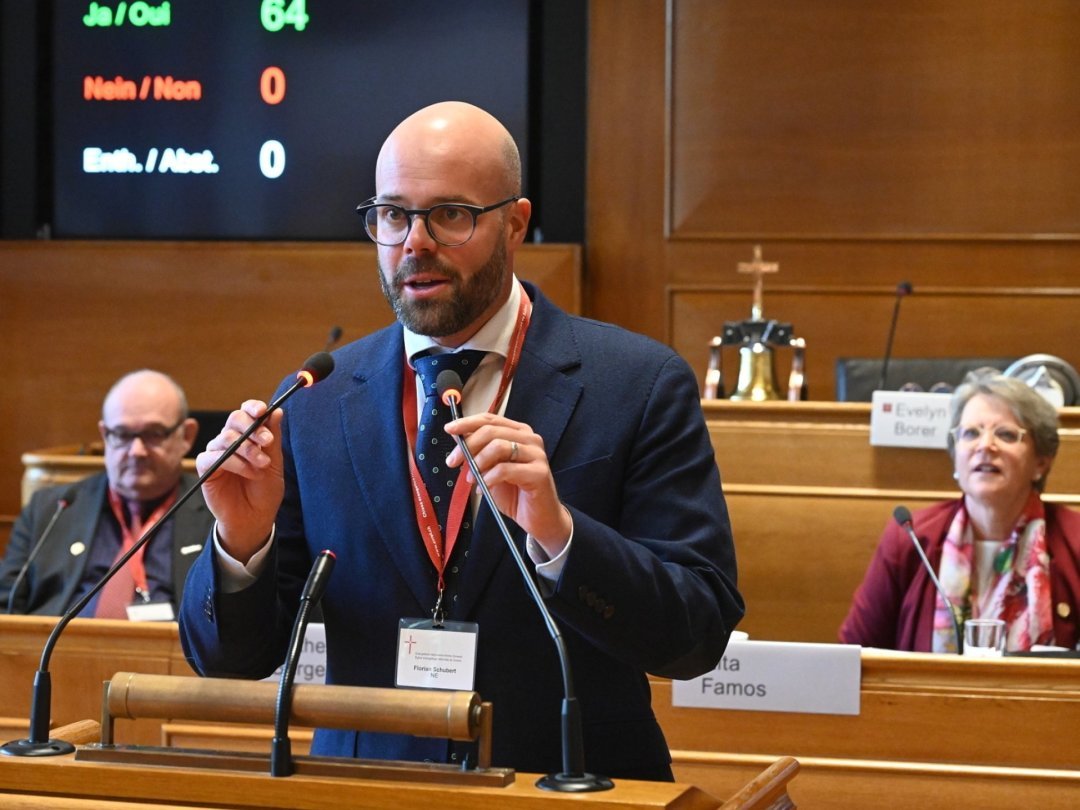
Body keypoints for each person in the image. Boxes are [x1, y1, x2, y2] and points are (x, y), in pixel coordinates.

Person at [178, 101, 743, 780]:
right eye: (392, 215)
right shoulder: (317, 398)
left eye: (450, 214)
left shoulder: (638, 385)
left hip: (570, 785)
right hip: (370, 791)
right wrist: (242, 543)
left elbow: (699, 635)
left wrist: (561, 537)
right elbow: (231, 660)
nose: (414, 242)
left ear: (515, 223)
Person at [840, 371, 1080, 652]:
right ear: (955, 456)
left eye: (1005, 434)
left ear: (1041, 462)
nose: (985, 446)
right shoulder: (911, 538)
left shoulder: (1074, 541)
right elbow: (854, 654)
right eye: (970, 433)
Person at [0, 370, 214, 618]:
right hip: (55, 652)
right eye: (122, 435)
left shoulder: (215, 513)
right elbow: (6, 606)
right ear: (105, 435)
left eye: (153, 434)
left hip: (169, 653)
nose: (137, 451)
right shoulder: (52, 508)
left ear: (186, 436)